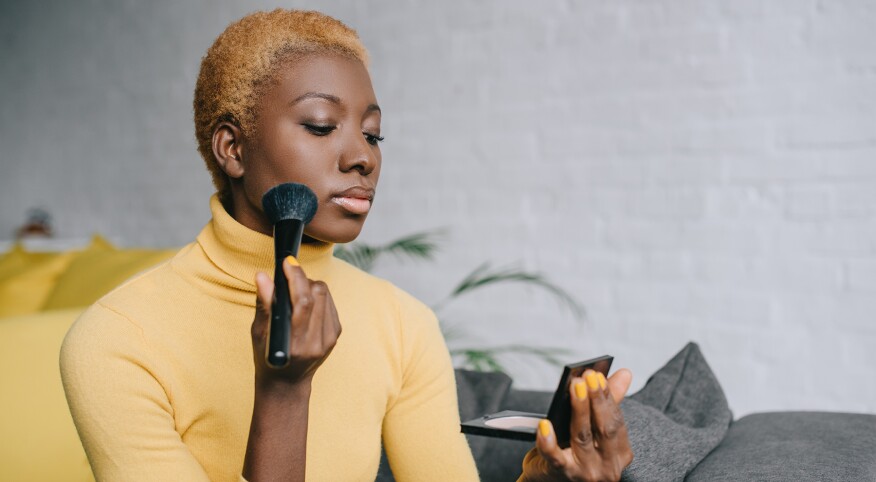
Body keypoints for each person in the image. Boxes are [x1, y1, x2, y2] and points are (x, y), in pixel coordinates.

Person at [60, 9, 633, 482]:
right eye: (319, 125)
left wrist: (551, 480)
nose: (364, 156)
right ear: (232, 149)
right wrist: (284, 392)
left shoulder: (402, 323)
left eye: (372, 132)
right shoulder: (116, 341)